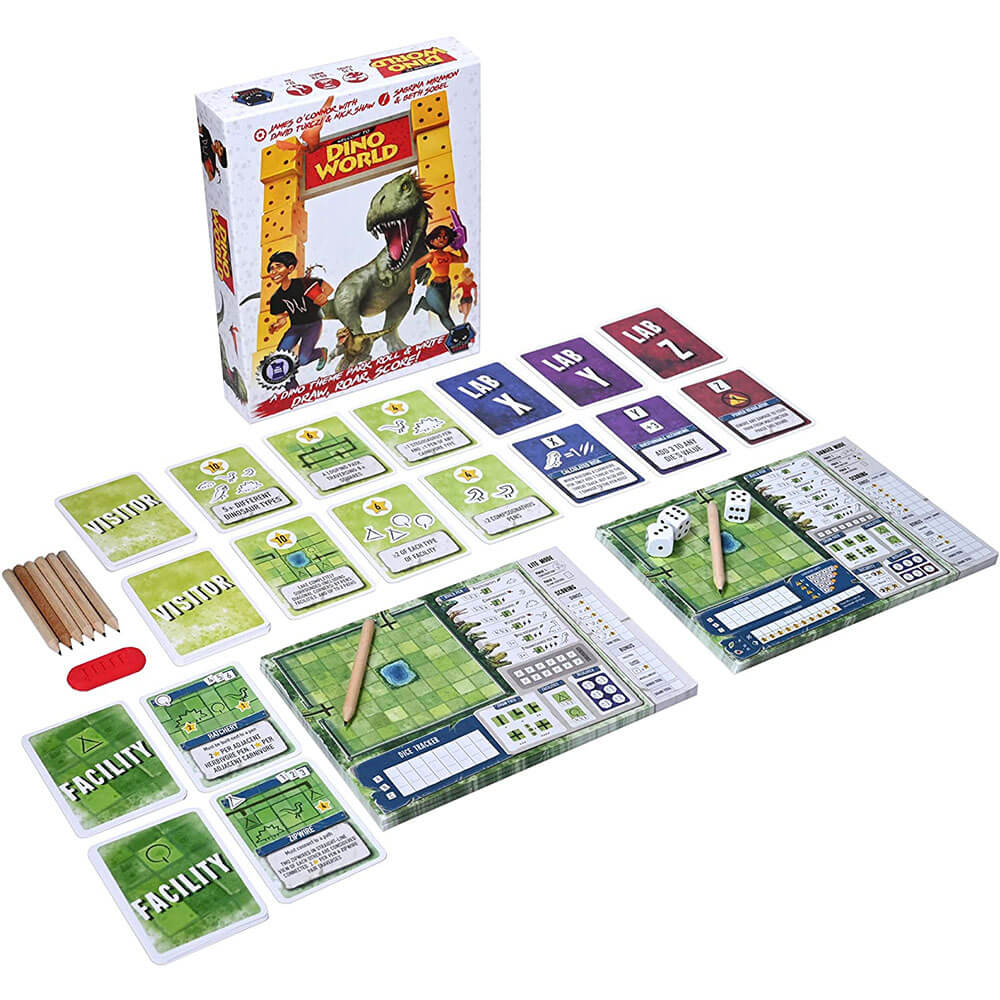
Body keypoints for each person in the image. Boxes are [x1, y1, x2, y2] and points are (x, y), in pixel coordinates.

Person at [266, 252, 332, 380]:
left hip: (313, 324)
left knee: (303, 360)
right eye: (271, 269)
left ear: (290, 268)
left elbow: (327, 287)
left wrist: (323, 295)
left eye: (278, 266)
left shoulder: (302, 283)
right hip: (295, 327)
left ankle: (321, 352)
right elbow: (283, 317)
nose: (274, 271)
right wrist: (277, 325)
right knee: (279, 358)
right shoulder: (276, 298)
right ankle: (289, 384)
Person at [408, 225, 468, 332]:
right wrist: (412, 285)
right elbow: (414, 267)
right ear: (432, 240)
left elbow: (464, 259)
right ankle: (455, 332)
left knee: (443, 311)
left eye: (445, 237)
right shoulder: (432, 256)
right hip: (434, 289)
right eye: (438, 237)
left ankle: (425, 304)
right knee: (444, 314)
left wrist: (460, 245)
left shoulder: (448, 255)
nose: (442, 239)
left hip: (446, 286)